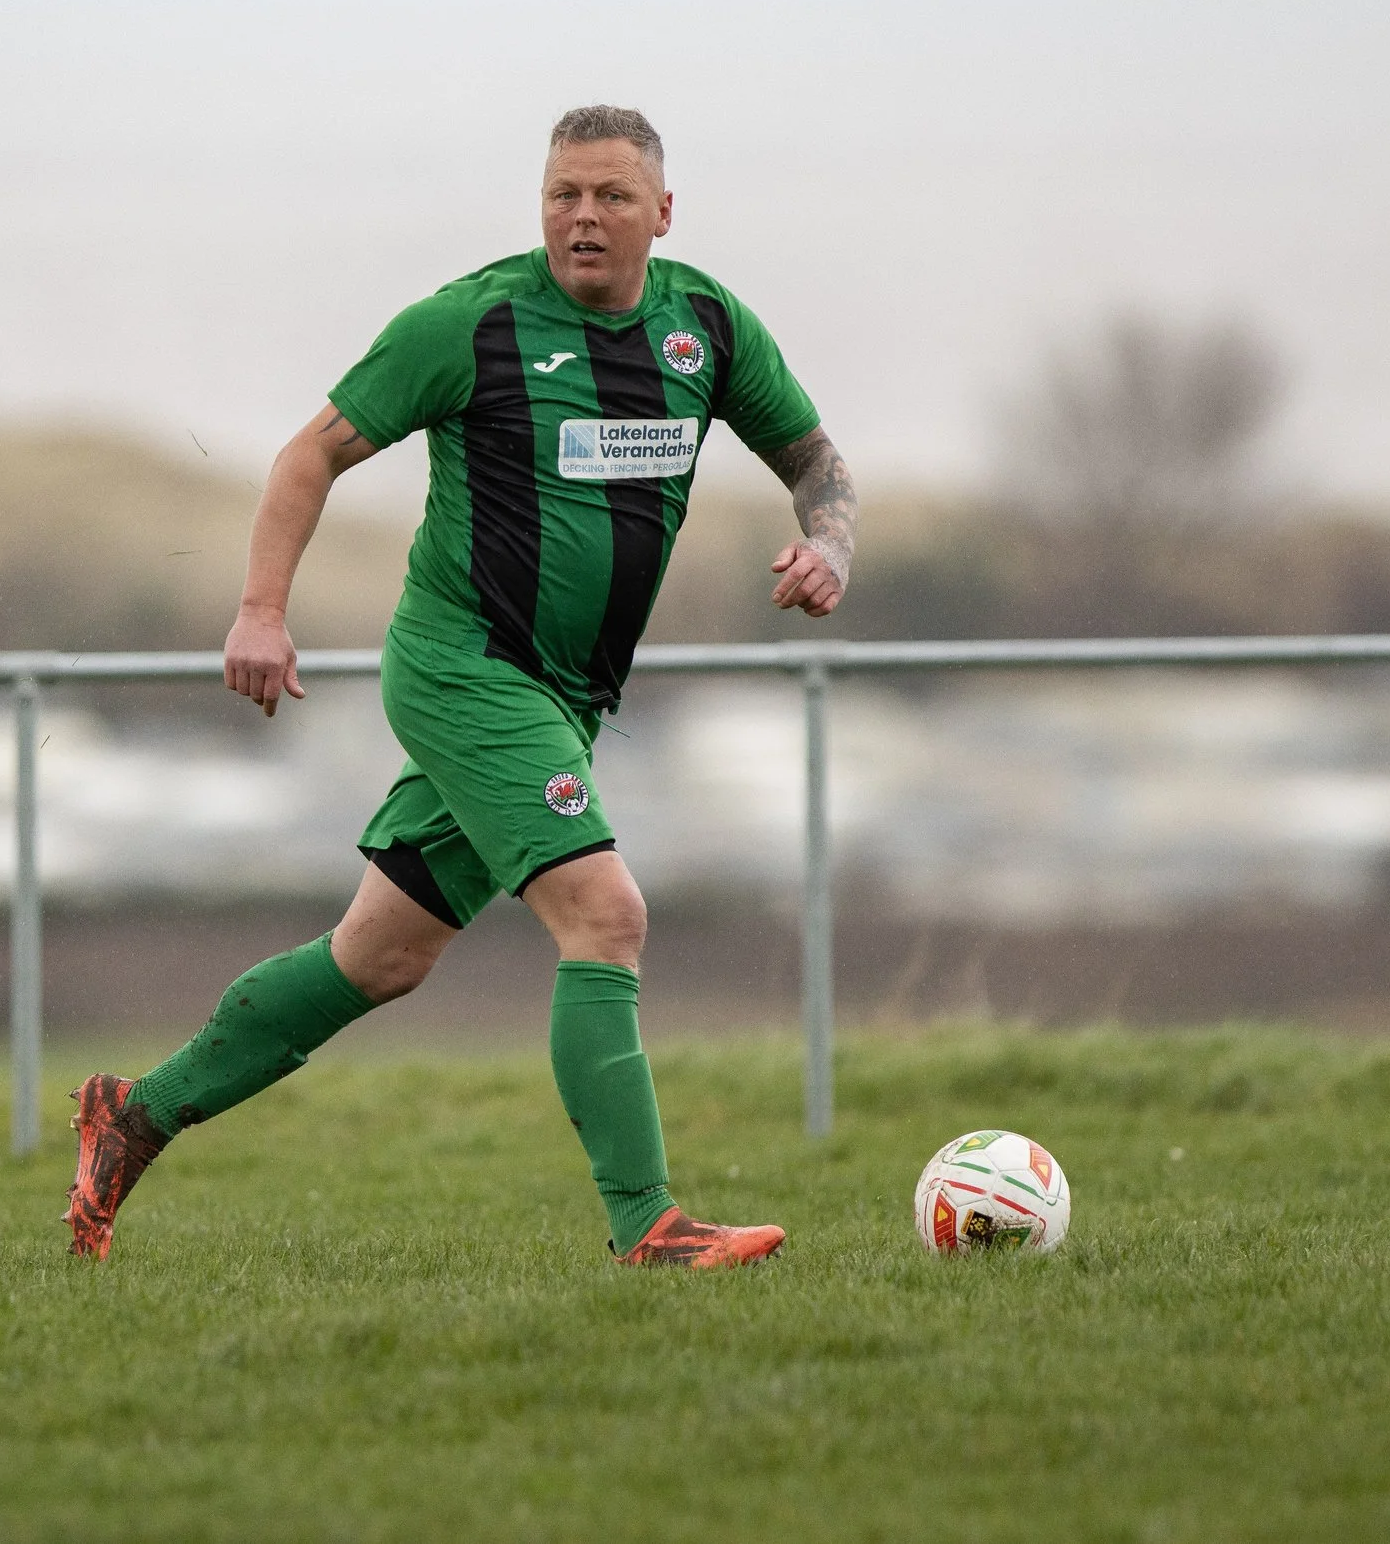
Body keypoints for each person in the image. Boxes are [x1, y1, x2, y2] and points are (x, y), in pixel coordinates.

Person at [65, 106, 856, 1268]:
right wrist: (261, 611)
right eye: (560, 195)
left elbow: (815, 462)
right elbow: (309, 454)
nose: (581, 217)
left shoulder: (707, 326)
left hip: (562, 699)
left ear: (662, 213)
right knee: (606, 913)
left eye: (609, 198)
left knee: (378, 958)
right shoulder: (472, 323)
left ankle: (129, 1117)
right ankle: (649, 1227)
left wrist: (830, 544)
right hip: (462, 670)